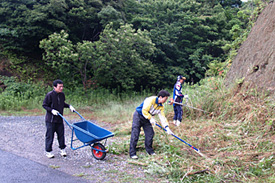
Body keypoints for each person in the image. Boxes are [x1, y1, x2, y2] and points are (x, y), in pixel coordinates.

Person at [129, 90, 173, 159]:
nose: (166, 100)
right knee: (135, 133)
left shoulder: (161, 106)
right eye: (165, 98)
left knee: (150, 133)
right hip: (139, 116)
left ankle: (149, 151)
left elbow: (162, 117)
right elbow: (144, 111)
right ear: (160, 97)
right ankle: (132, 153)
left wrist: (167, 127)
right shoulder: (150, 100)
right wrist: (151, 118)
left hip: (147, 119)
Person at [42, 79, 75, 158]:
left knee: (61, 135)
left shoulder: (62, 95)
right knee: (50, 135)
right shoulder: (49, 95)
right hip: (51, 120)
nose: (61, 88)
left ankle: (62, 149)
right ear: (54, 87)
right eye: (60, 87)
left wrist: (69, 106)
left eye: (62, 86)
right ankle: (48, 151)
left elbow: (62, 103)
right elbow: (44, 105)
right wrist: (51, 110)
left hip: (59, 119)